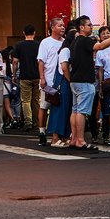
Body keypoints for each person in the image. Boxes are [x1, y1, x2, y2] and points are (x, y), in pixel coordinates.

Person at [68, 16, 110, 150]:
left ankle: (74, 139)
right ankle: (80, 140)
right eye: (89, 25)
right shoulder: (84, 40)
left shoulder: (75, 42)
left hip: (75, 80)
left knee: (75, 110)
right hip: (84, 80)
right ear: (81, 27)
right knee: (81, 111)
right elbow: (101, 46)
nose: (91, 27)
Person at [37, 17, 65, 146]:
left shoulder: (65, 42)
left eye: (63, 25)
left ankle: (58, 133)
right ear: (52, 27)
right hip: (48, 80)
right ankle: (42, 131)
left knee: (58, 106)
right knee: (44, 106)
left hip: (60, 81)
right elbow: (41, 61)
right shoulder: (45, 42)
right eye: (59, 25)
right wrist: (42, 78)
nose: (62, 27)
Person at [48, 29, 75, 147]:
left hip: (66, 82)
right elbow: (64, 68)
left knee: (68, 109)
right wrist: (70, 82)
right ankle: (55, 137)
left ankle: (64, 136)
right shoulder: (65, 50)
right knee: (60, 110)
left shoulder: (72, 50)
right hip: (63, 82)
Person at [11, 25, 41, 130]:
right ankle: (37, 123)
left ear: (24, 33)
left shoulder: (19, 45)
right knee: (36, 100)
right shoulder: (39, 45)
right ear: (34, 33)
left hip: (24, 76)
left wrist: (14, 75)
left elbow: (15, 61)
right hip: (37, 76)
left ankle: (28, 122)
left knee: (25, 100)